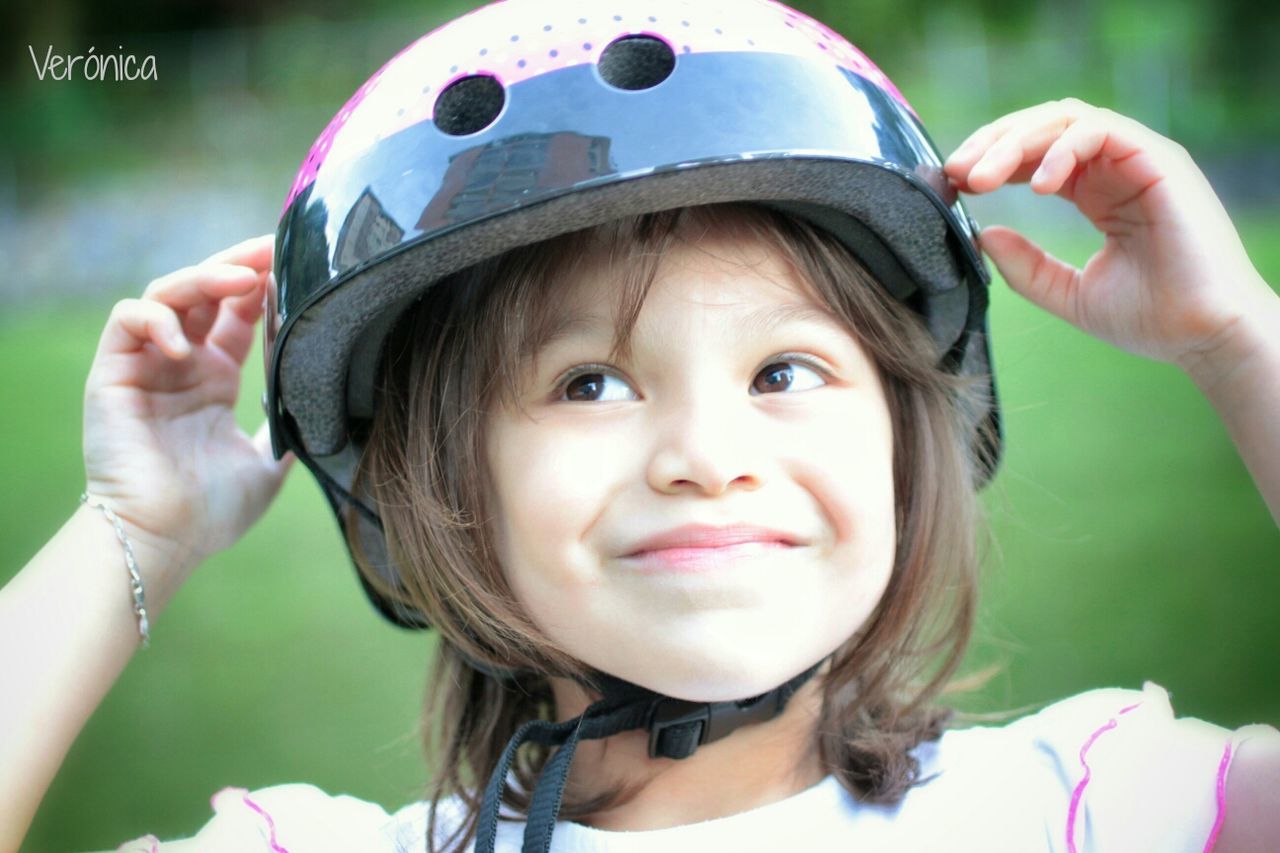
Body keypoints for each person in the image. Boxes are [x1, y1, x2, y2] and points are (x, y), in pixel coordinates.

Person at [2, 0, 1277, 850]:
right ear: (443, 480)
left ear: (901, 431)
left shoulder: (1089, 804)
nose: (705, 457)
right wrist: (136, 527)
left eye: (783, 370)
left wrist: (1241, 346)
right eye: (590, 385)